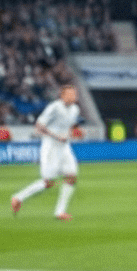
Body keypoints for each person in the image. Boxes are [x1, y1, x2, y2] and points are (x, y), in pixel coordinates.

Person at [8, 84, 83, 220]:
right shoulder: (54, 108)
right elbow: (39, 126)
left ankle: (60, 212)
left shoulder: (75, 109)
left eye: (75, 94)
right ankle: (18, 197)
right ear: (62, 95)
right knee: (48, 182)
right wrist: (56, 136)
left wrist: (74, 132)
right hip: (51, 146)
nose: (74, 96)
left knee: (71, 177)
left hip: (64, 147)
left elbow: (71, 125)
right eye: (71, 94)